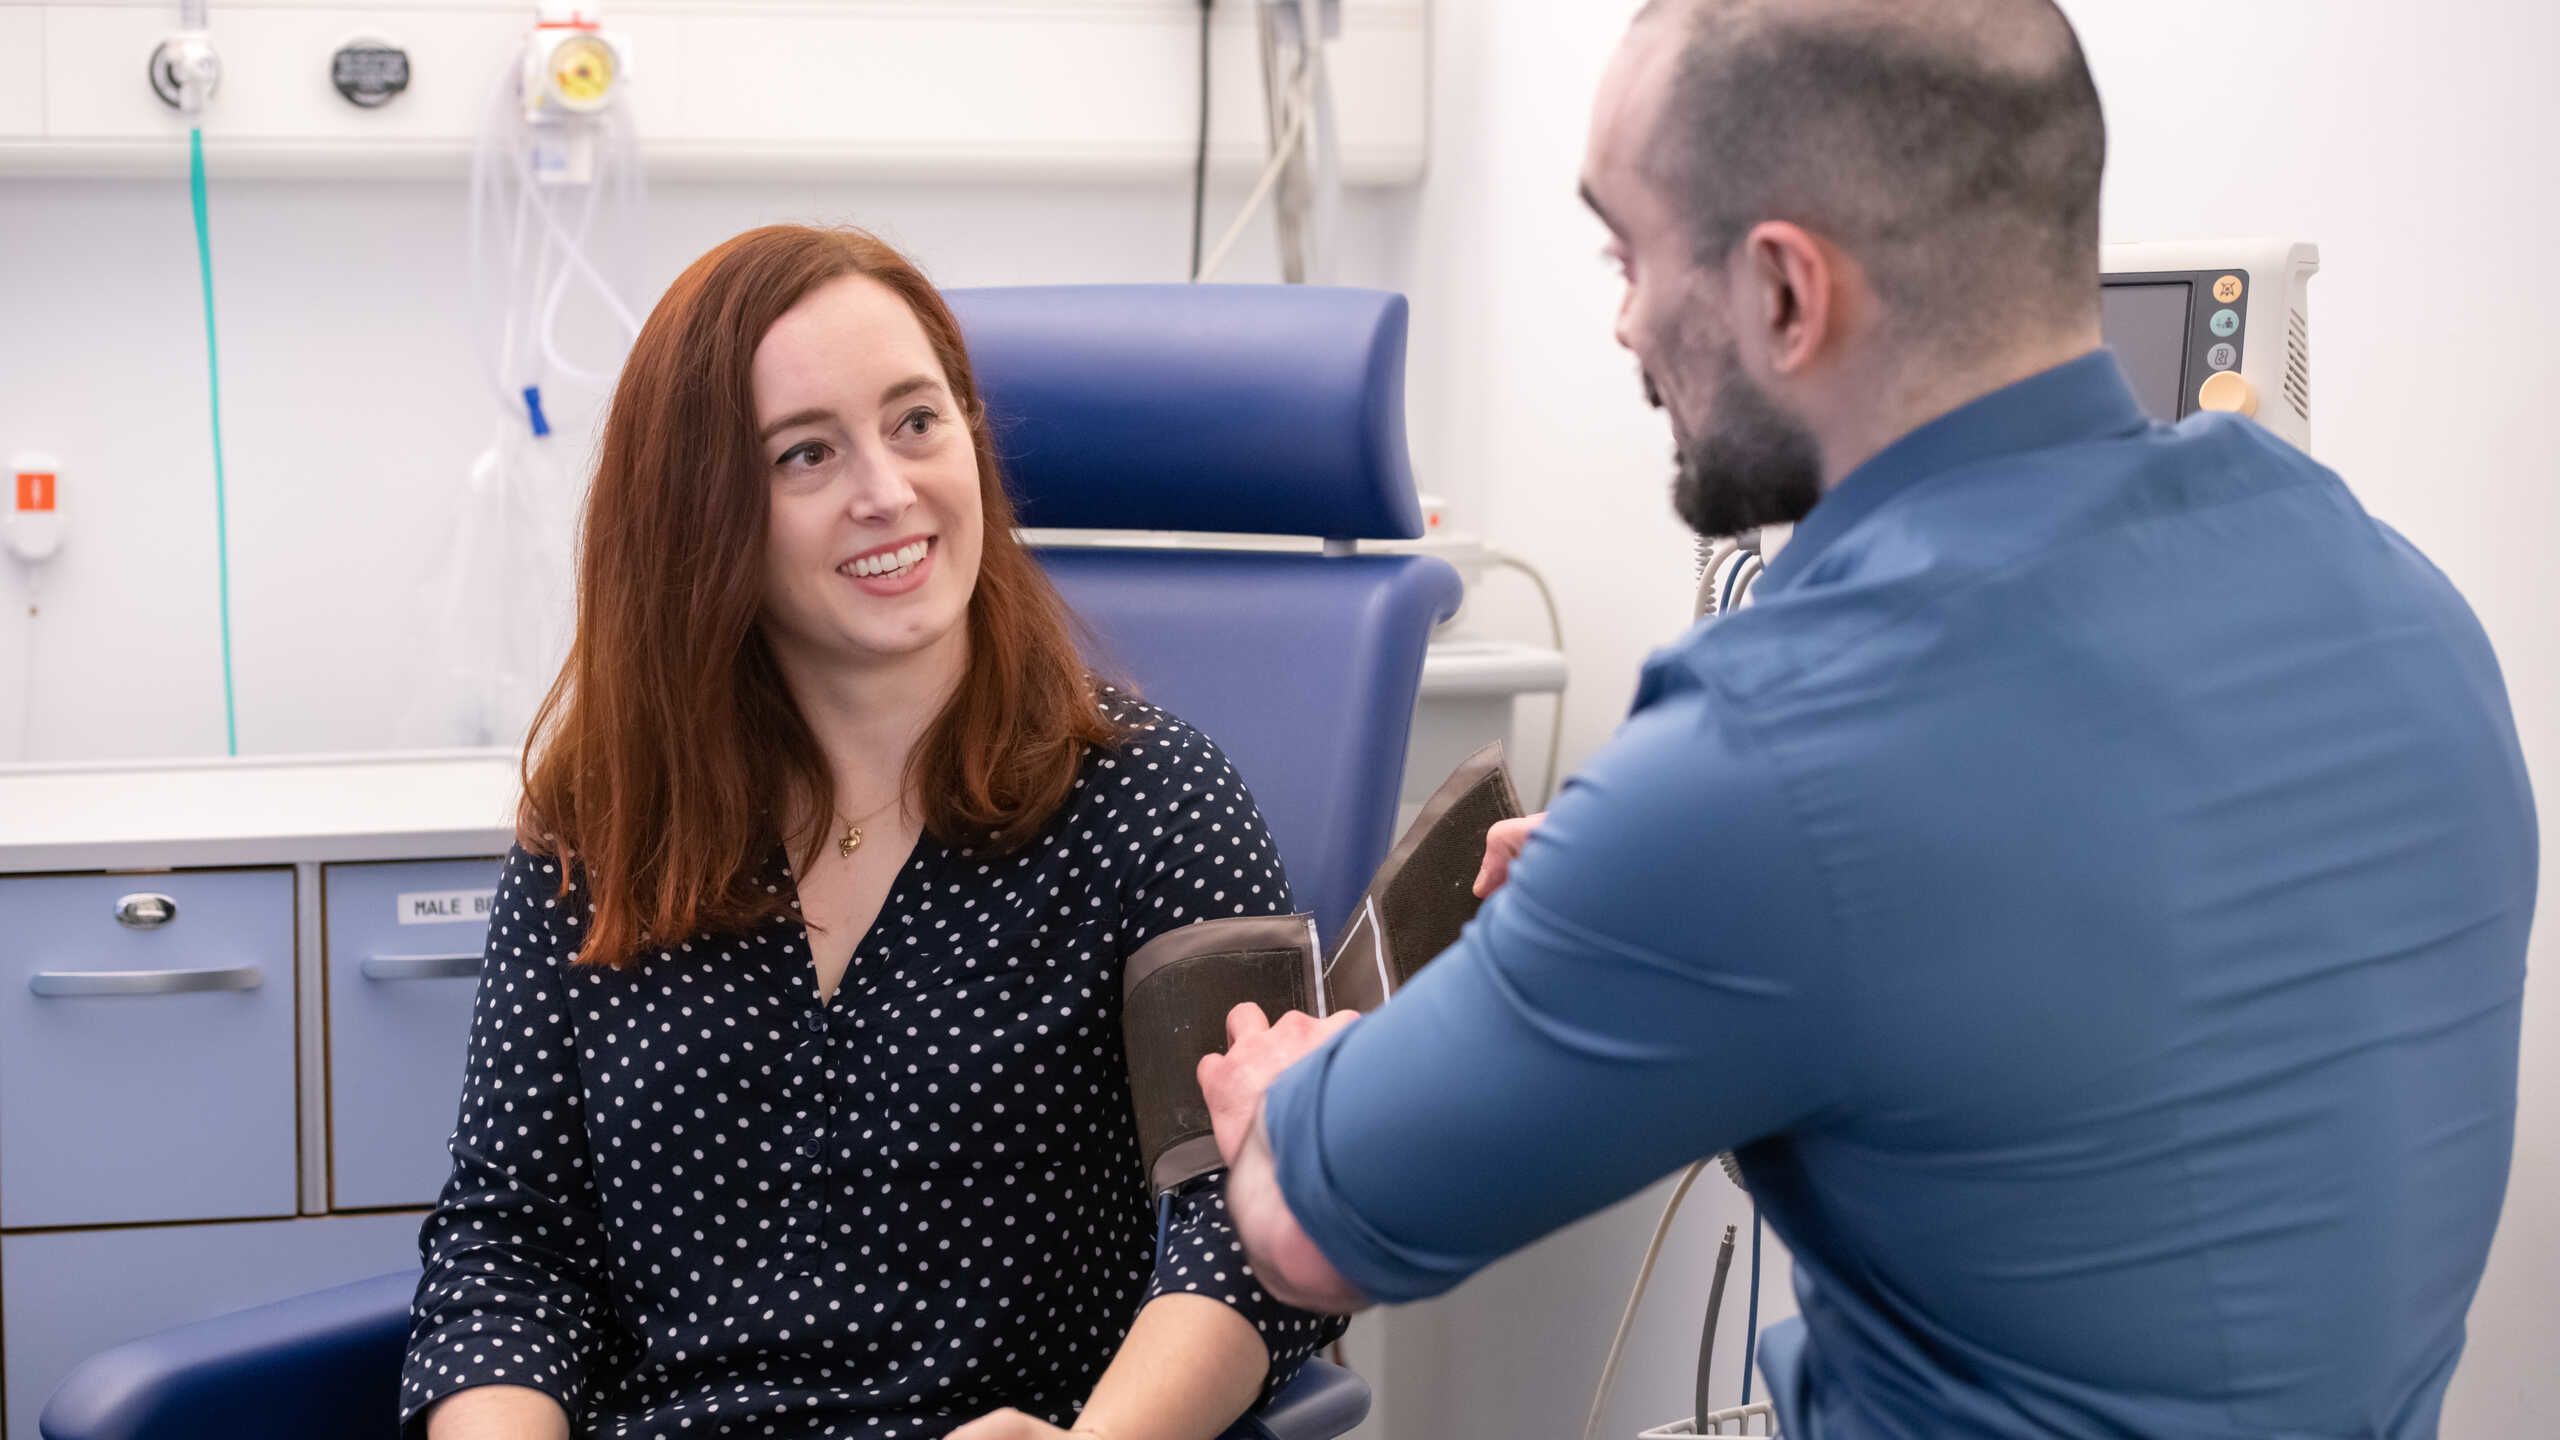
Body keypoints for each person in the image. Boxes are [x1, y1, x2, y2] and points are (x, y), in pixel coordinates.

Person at [1199, 2, 2538, 1436]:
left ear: (1786, 291)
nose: (1626, 322)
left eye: (1629, 257)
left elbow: (1303, 1232)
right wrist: (1642, 920)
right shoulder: (2401, 599)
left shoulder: (1770, 755)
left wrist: (1292, 1089)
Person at [401, 224, 1342, 1440]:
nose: (887, 492)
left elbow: (1256, 1213)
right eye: (806, 453)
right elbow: (512, 1240)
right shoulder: (604, 822)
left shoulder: (1152, 799)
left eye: (916, 421)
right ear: (698, 517)